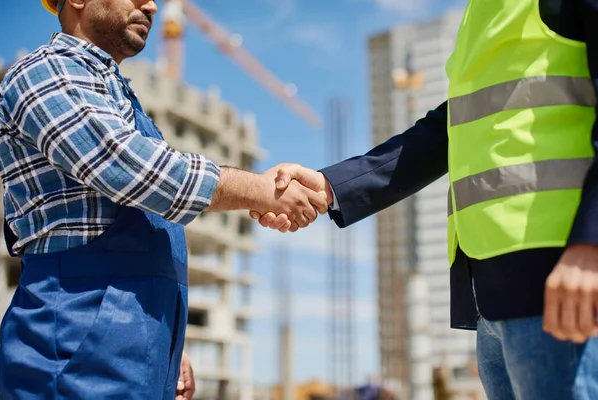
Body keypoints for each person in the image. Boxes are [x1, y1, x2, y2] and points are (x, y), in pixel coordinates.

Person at [252, 0, 598, 398]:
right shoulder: (481, 13)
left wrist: (590, 244)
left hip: (564, 276)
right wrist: (329, 187)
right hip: (490, 291)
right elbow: (446, 130)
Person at [0, 0, 328, 398]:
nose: (151, 5)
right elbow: (130, 169)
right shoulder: (43, 74)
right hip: (71, 346)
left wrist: (165, 341)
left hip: (124, 350)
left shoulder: (119, 97)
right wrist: (262, 191)